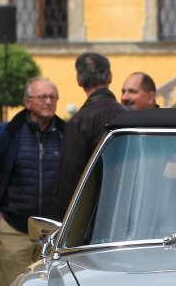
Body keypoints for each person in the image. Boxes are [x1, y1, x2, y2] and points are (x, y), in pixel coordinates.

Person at [0, 77, 66, 286]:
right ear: (27, 102)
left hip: (53, 233)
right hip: (14, 228)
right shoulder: (9, 132)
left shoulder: (66, 133)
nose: (48, 102)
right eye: (42, 97)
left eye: (52, 97)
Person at [52, 53, 124, 218]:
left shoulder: (79, 121)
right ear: (110, 77)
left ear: (79, 80)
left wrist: (61, 223)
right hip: (127, 209)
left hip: (93, 217)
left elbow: (69, 181)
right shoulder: (128, 115)